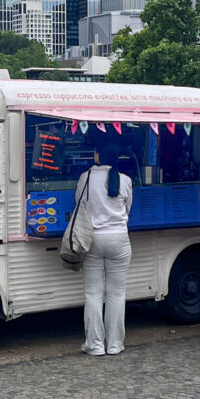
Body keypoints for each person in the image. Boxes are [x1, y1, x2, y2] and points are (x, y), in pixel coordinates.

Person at [77, 143, 133, 356]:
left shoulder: (86, 177)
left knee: (93, 293)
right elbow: (128, 208)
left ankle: (95, 344)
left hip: (92, 239)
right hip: (119, 239)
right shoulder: (125, 180)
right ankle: (115, 344)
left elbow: (79, 204)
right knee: (116, 293)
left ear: (98, 155)